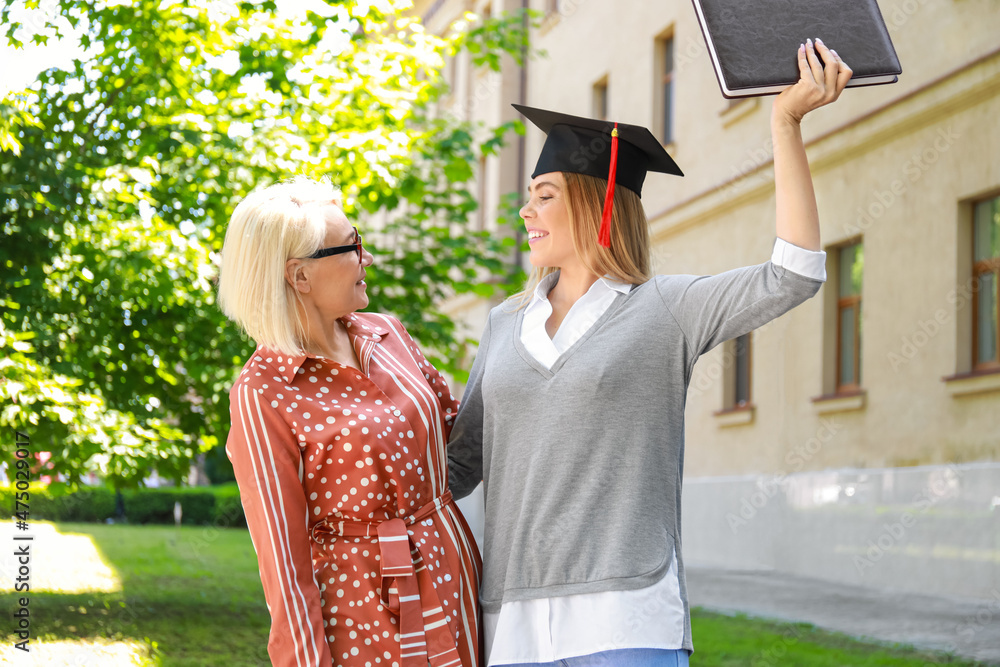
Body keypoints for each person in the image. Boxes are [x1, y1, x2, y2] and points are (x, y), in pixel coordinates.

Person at [447, 40, 852, 666]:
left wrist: (785, 121)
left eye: (545, 193)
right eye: (528, 194)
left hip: (627, 619)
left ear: (596, 202)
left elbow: (793, 274)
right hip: (512, 624)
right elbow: (458, 465)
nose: (525, 209)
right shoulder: (504, 324)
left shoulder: (666, 309)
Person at [217, 177, 482, 667]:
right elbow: (283, 561)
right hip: (366, 618)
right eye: (352, 246)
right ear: (299, 277)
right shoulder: (263, 392)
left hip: (456, 584)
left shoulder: (388, 334)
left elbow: (463, 435)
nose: (368, 259)